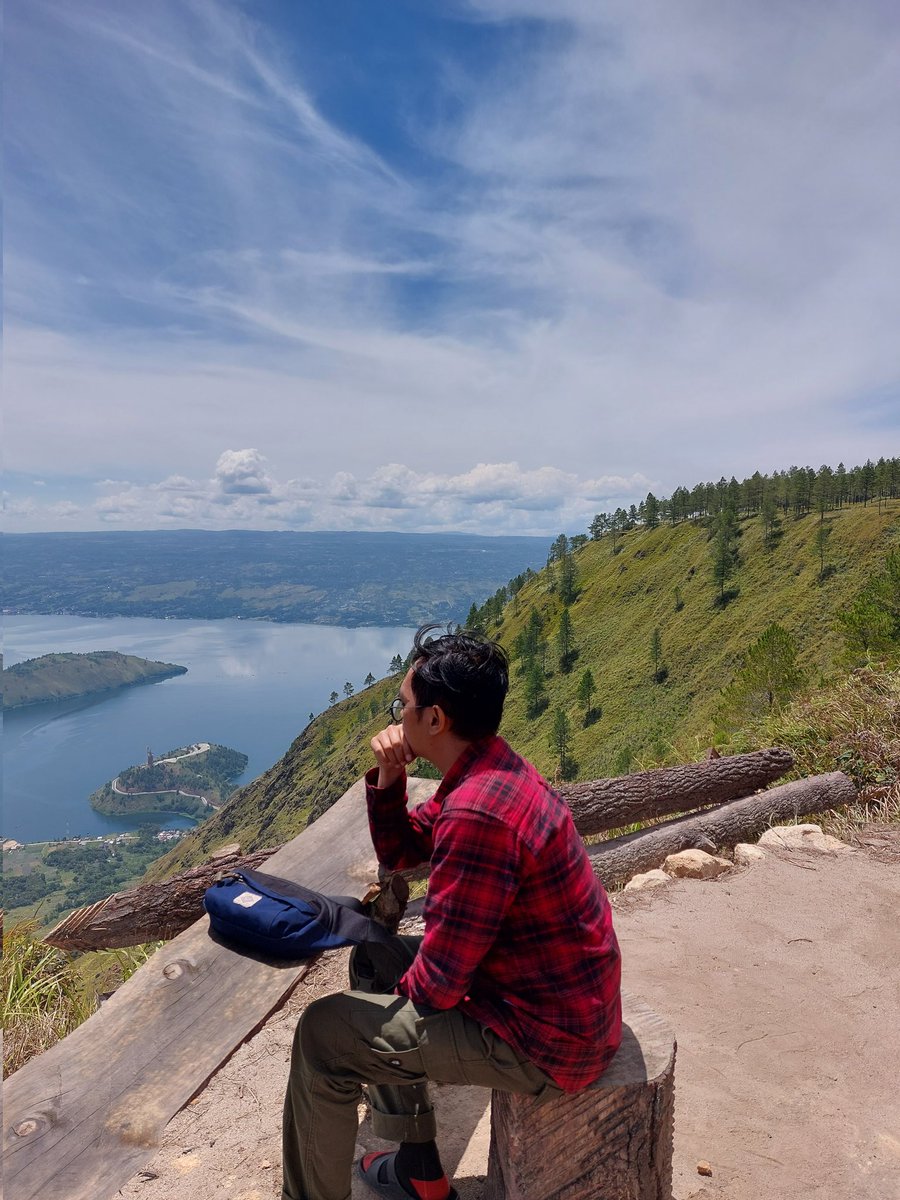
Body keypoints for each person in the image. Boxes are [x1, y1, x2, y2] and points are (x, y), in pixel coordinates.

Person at [282, 625, 621, 1200]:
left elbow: (437, 986)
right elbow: (404, 852)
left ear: (435, 719)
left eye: (403, 705)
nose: (397, 716)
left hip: (541, 1037)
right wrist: (390, 779)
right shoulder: (492, 768)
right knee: (373, 959)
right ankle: (418, 1170)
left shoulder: (478, 816)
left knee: (323, 1034)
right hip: (548, 995)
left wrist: (375, 1007)